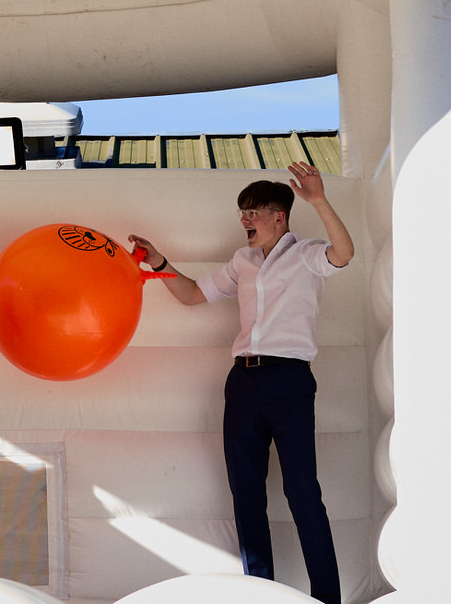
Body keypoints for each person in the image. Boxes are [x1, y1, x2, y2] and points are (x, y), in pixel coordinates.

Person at [130, 160, 354, 604]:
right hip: (243, 383)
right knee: (246, 494)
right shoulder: (242, 261)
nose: (245, 219)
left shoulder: (308, 254)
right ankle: (263, 594)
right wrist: (160, 264)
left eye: (253, 211)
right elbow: (195, 294)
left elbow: (344, 254)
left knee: (302, 492)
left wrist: (320, 199)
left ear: (280, 217)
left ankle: (328, 598)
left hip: (290, 381)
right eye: (242, 212)